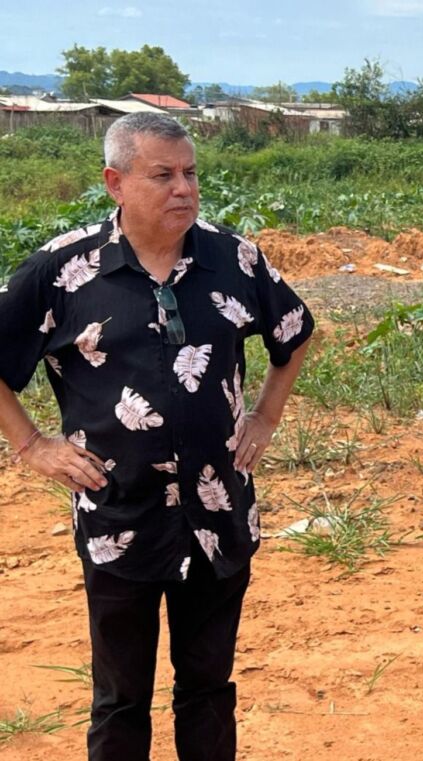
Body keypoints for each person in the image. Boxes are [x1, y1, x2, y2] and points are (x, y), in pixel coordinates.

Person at [0, 112, 314, 760]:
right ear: (115, 182)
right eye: (163, 175)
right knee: (121, 698)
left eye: (190, 173)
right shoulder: (63, 270)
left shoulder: (233, 258)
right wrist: (31, 445)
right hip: (120, 515)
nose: (183, 189)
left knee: (208, 688)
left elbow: (294, 332)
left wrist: (264, 418)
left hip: (219, 512)